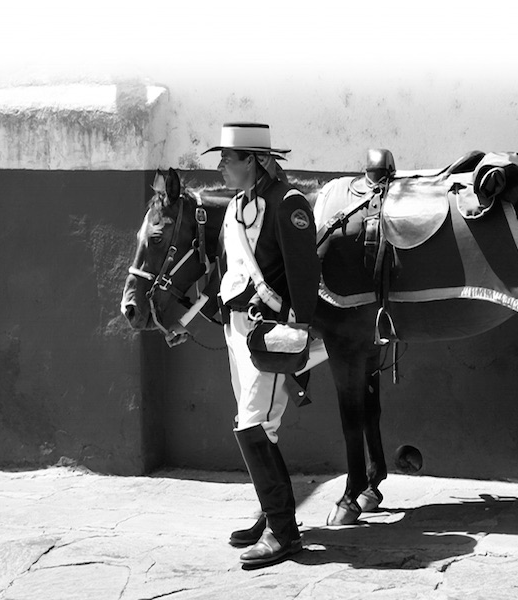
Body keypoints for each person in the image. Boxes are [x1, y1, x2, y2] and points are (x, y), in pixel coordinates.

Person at [203, 122, 321, 567]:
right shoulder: (237, 205)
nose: (220, 166)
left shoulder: (286, 203)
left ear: (250, 160)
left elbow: (303, 271)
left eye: (227, 159)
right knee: (252, 423)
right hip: (237, 328)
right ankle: (271, 513)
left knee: (254, 424)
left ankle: (283, 535)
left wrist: (299, 329)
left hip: (268, 332)